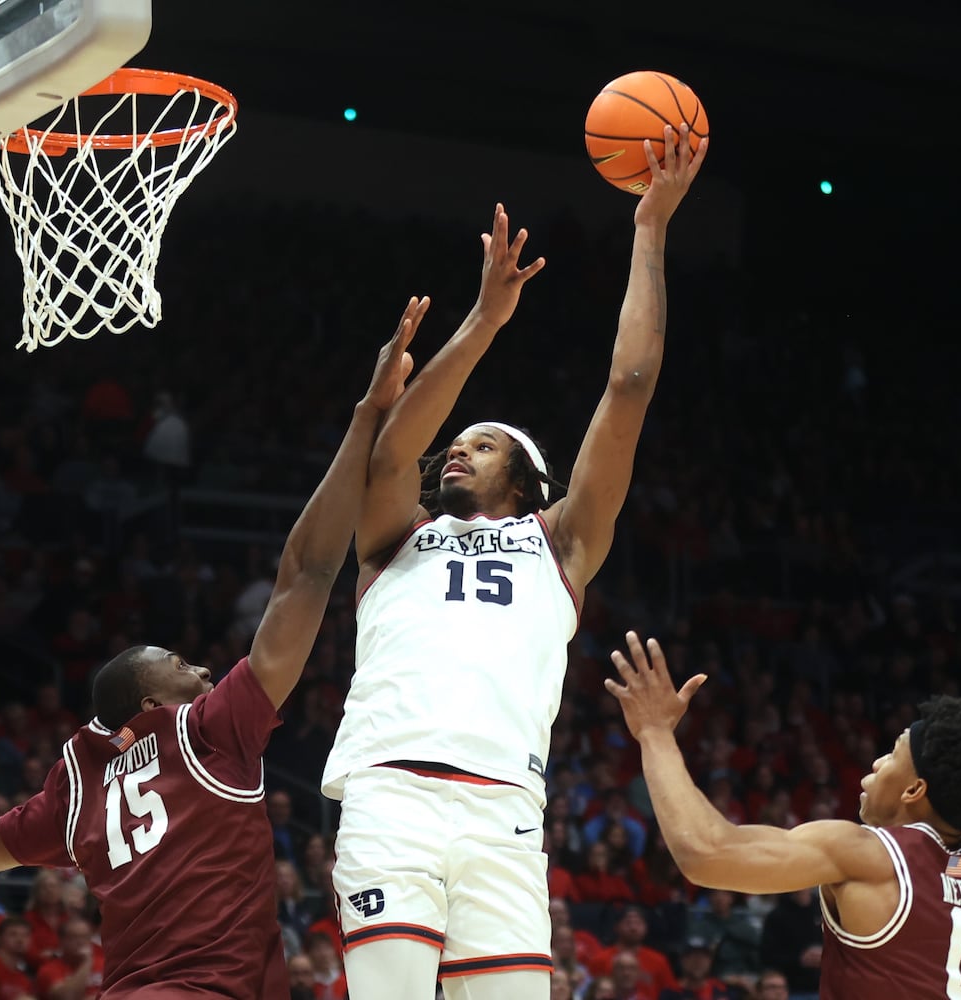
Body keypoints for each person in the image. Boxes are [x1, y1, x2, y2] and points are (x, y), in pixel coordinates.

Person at [0, 303, 427, 1000]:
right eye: (182, 665)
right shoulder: (208, 729)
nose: (205, 670)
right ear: (152, 702)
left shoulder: (76, 789)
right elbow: (305, 571)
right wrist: (366, 415)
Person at [324, 126, 708, 1000]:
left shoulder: (560, 543)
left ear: (528, 477)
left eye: (481, 442)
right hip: (393, 799)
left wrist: (648, 232)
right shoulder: (394, 539)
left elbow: (630, 386)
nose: (455, 451)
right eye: (454, 443)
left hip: (505, 813)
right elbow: (387, 454)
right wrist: (484, 321)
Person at [606, 632, 961, 1000]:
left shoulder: (868, 855)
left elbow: (706, 853)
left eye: (892, 755)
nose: (877, 764)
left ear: (915, 790)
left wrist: (655, 733)